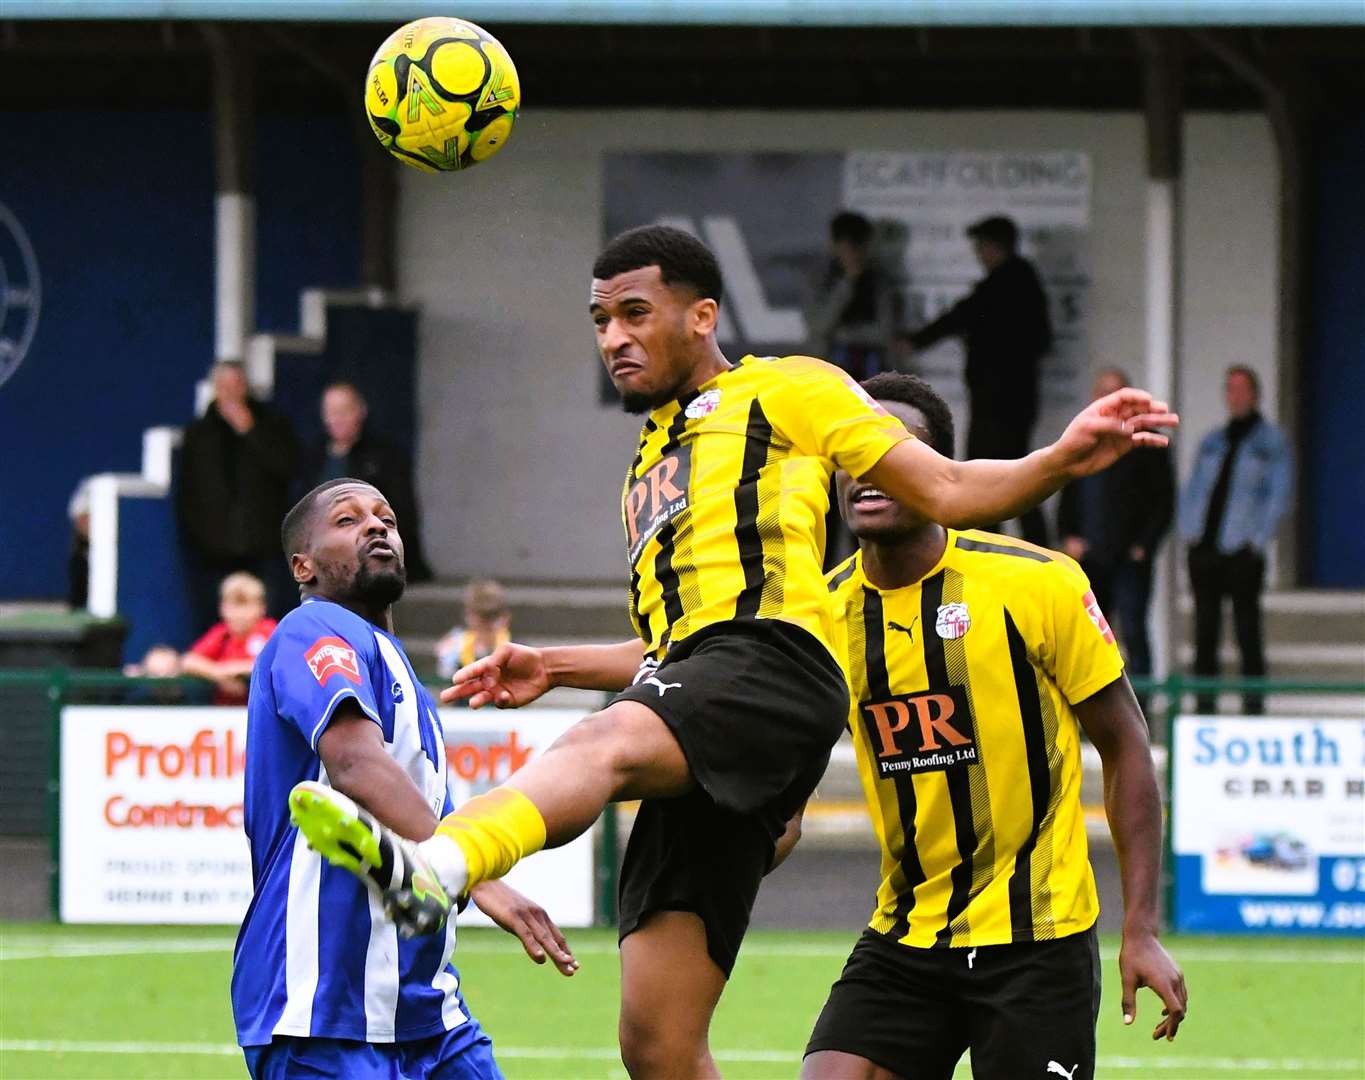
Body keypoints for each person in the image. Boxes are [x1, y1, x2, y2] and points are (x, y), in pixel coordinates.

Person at [289, 225, 1176, 1079]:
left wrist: (1059, 459)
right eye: (600, 320)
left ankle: (439, 863)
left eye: (635, 312)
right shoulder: (650, 469)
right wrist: (554, 664)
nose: (614, 337)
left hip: (774, 676)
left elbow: (946, 486)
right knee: (656, 1042)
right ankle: (453, 864)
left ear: (702, 315)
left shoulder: (787, 389)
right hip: (713, 710)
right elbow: (673, 650)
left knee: (599, 744)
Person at [798, 372, 1185, 1080]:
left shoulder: (1037, 583)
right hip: (904, 938)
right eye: (851, 451)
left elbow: (1126, 746)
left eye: (893, 451)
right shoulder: (819, 615)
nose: (867, 469)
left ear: (938, 471)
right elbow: (774, 761)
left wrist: (1140, 928)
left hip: (1036, 943)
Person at [232, 477, 577, 1079]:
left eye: (385, 517)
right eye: (347, 519)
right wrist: (478, 873)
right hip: (321, 1006)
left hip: (428, 1010)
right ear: (303, 566)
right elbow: (355, 764)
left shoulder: (406, 678)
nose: (374, 525)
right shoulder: (311, 630)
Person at [899, 214, 1053, 545]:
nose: (978, 253)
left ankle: (985, 550)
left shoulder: (1005, 283)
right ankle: (1016, 548)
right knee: (1015, 477)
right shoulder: (1022, 283)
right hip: (1012, 402)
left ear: (995, 246)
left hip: (998, 404)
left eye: (981, 246)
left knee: (988, 479)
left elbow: (960, 316)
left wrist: (916, 340)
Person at [1177, 365, 1292, 715]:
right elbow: (1195, 487)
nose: (1236, 396)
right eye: (1230, 389)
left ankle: (1253, 710)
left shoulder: (1271, 443)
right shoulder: (1214, 440)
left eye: (1242, 389)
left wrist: (1256, 540)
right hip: (1206, 548)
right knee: (1205, 634)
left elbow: (1279, 495)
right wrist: (1189, 532)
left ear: (1255, 395)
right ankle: (1204, 710)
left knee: (1247, 632)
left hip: (1241, 550)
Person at [1058, 368, 1175, 698]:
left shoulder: (1147, 443)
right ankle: (1090, 711)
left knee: (1134, 631)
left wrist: (1144, 546)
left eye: (1115, 393)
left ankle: (1143, 713)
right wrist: (1067, 535)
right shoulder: (1080, 441)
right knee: (1088, 636)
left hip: (1129, 558)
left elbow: (1163, 502)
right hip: (1089, 558)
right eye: (1101, 393)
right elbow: (1065, 488)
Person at [177, 360, 300, 625]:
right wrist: (197, 537)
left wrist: (250, 431)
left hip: (263, 548)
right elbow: (186, 493)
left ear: (246, 388)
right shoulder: (198, 433)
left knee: (266, 621)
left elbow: (288, 468)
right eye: (224, 386)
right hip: (213, 552)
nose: (231, 393)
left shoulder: (273, 425)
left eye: (236, 385)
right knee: (215, 624)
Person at [301, 381, 433, 582]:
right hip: (324, 564)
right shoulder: (315, 456)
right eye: (331, 411)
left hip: (373, 562)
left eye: (344, 411)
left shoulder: (384, 457)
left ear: (360, 411)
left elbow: (403, 514)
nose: (337, 418)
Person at [807, 211, 901, 382]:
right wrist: (848, 282)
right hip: (829, 368)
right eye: (848, 248)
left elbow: (886, 332)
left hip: (873, 369)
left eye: (860, 247)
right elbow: (819, 326)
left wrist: (846, 334)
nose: (855, 254)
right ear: (835, 246)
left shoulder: (879, 280)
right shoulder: (820, 279)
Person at [180, 571, 278, 706]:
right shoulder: (222, 634)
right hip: (225, 713)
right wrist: (217, 674)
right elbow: (188, 661)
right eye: (233, 606)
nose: (239, 614)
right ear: (222, 608)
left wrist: (234, 669)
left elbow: (278, 662)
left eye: (245, 606)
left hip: (263, 711)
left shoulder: (269, 630)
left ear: (261, 608)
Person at [436, 580, 513, 684]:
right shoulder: (455, 646)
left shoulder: (515, 648)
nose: (485, 626)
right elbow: (444, 678)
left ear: (505, 618)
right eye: (481, 620)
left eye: (491, 618)